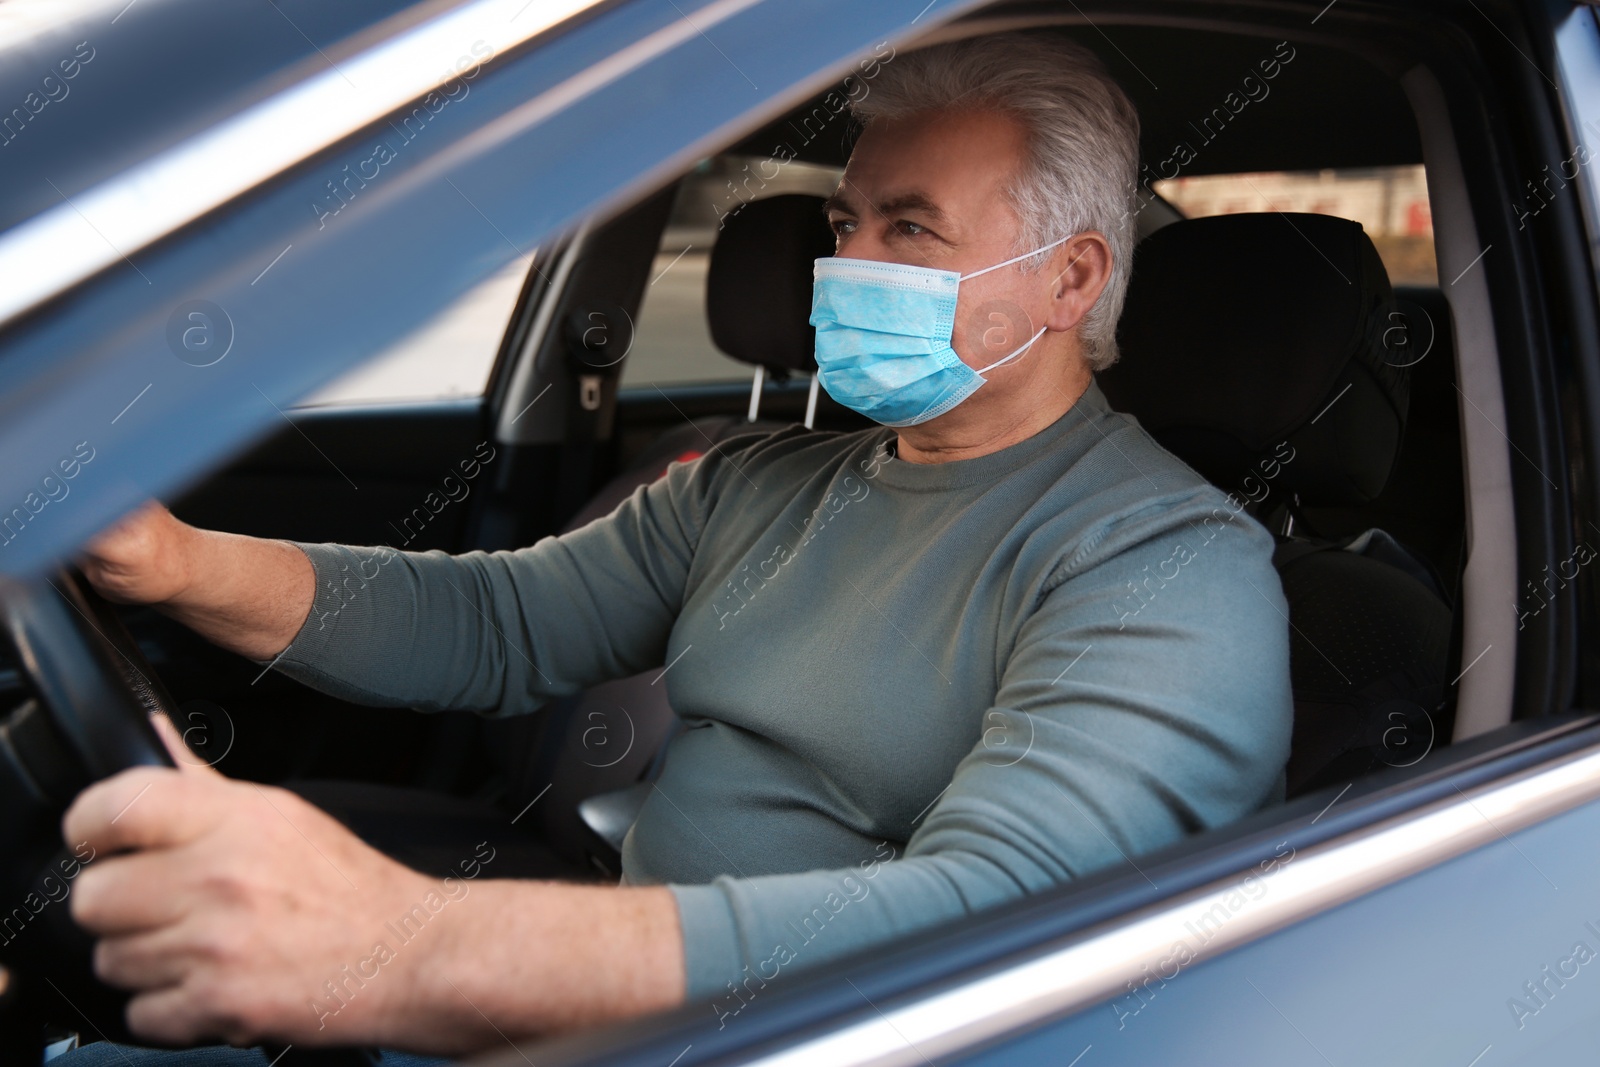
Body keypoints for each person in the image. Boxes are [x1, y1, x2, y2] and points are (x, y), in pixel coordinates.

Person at [55, 32, 1292, 1064]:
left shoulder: (1169, 570)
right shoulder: (755, 484)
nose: (840, 264)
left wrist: (407, 941)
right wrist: (171, 563)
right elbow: (494, 627)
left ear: (1071, 278)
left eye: (909, 231)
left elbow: (982, 926)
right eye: (845, 221)